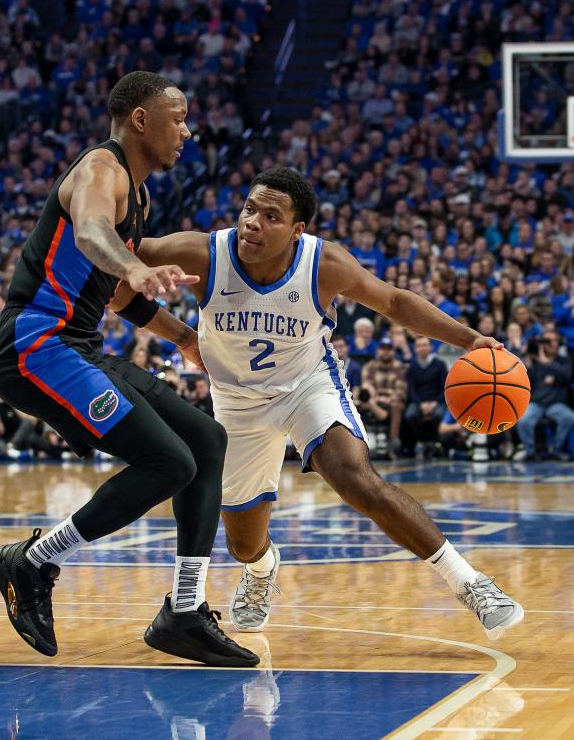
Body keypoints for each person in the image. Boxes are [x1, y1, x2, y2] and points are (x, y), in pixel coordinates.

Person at [111, 166, 523, 641]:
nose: (252, 222)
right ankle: (262, 569)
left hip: (308, 385)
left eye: (270, 216)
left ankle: (470, 583)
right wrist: (182, 335)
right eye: (249, 209)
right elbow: (115, 274)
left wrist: (469, 339)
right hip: (237, 401)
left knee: (354, 478)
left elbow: (393, 302)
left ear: (297, 229)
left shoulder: (324, 264)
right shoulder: (201, 252)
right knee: (243, 544)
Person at [0, 71, 257, 667]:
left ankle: (184, 611)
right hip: (35, 343)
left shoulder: (139, 191)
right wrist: (132, 268)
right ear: (140, 119)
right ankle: (31, 560)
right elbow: (89, 234)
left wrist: (184, 337)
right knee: (168, 462)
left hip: (74, 344)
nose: (188, 130)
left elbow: (116, 294)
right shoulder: (99, 172)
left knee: (206, 442)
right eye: (178, 117)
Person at [515, 333, 574, 461]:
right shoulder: (534, 362)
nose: (552, 344)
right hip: (536, 403)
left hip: (555, 404)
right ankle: (530, 452)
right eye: (548, 341)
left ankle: (555, 449)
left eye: (555, 341)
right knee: (523, 420)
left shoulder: (564, 360)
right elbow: (526, 383)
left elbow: (566, 377)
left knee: (569, 417)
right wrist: (527, 364)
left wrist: (547, 363)